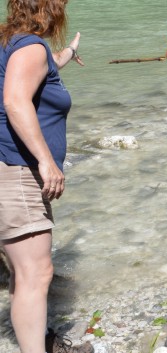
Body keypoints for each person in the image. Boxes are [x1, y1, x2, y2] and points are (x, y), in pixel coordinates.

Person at [0, 0, 91, 352]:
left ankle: (34, 341)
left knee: (24, 272)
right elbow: (15, 100)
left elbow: (37, 71)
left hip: (8, 170)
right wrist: (46, 162)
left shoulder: (13, 42)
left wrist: (66, 54)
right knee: (36, 273)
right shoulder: (32, 47)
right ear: (51, 9)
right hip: (17, 172)